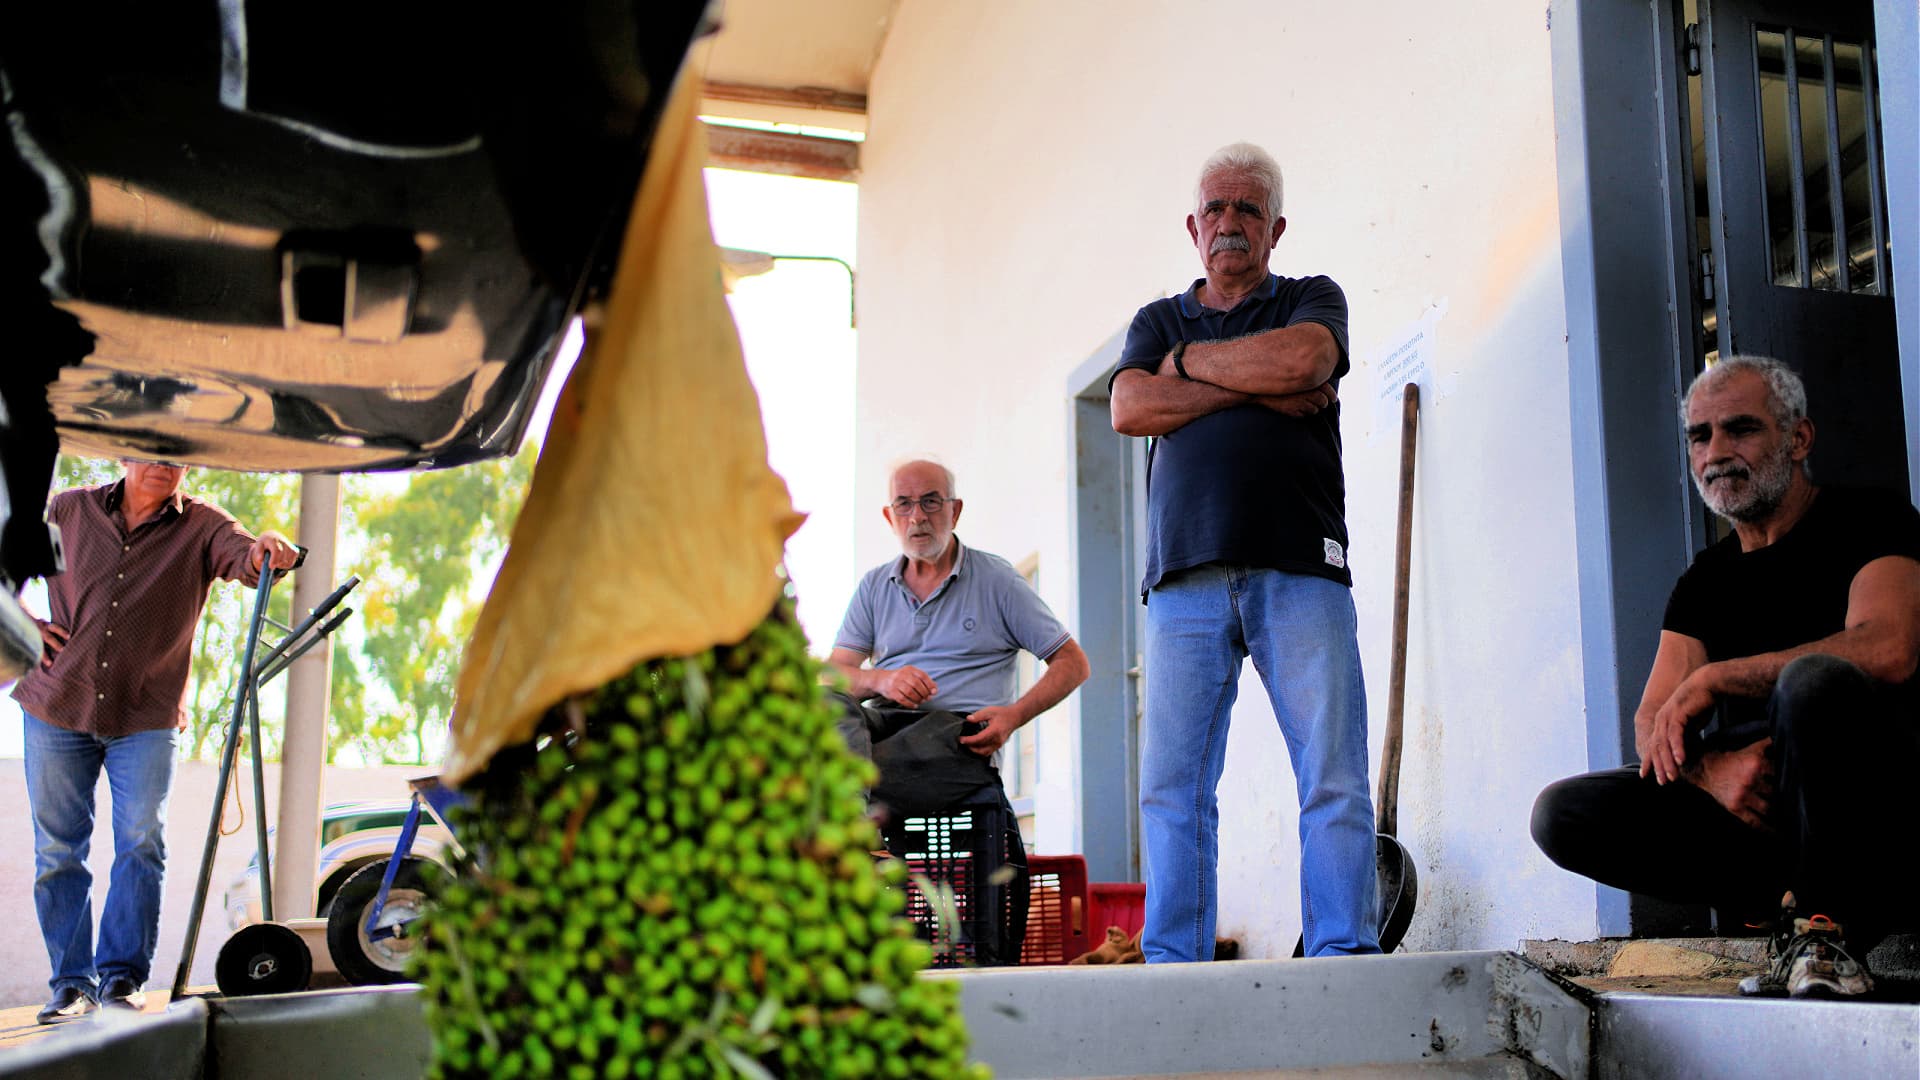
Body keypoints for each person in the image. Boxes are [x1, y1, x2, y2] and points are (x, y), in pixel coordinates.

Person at [1531, 356, 1920, 999]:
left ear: (1798, 439)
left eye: (1740, 429)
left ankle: (1824, 930)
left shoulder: (1872, 522)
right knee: (1563, 812)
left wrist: (1717, 680)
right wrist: (1712, 775)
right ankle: (1785, 917)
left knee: (1811, 683)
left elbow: (1889, 648)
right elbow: (1653, 720)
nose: (1716, 452)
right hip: (1762, 813)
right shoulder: (1703, 583)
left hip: (1875, 807)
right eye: (1699, 435)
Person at [1109, 142, 1378, 963]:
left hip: (1301, 566)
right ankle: (1174, 965)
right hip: (1184, 579)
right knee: (1173, 790)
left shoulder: (1310, 298)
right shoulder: (1158, 321)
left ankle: (1342, 953)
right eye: (1217, 210)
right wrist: (1243, 377)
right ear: (1193, 227)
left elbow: (1306, 359)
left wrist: (1185, 373)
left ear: (1276, 227)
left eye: (1248, 210)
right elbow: (1128, 404)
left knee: (1331, 774)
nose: (1231, 224)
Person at [13, 460, 300, 1022]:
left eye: (177, 455)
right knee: (57, 851)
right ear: (125, 454)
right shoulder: (69, 511)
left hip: (147, 715)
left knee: (142, 842)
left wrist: (268, 548)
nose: (164, 464)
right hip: (55, 703)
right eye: (152, 450)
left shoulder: (200, 525)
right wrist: (23, 622)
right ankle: (70, 984)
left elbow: (245, 555)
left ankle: (121, 980)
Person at [828, 458, 1089, 777]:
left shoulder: (998, 581)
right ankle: (851, 815)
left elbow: (1073, 663)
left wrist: (1014, 716)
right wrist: (882, 680)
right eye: (904, 504)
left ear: (955, 511)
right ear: (889, 516)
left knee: (853, 759)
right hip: (886, 727)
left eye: (931, 501)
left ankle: (849, 809)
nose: (917, 516)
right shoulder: (874, 586)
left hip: (960, 732)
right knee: (826, 707)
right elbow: (833, 676)